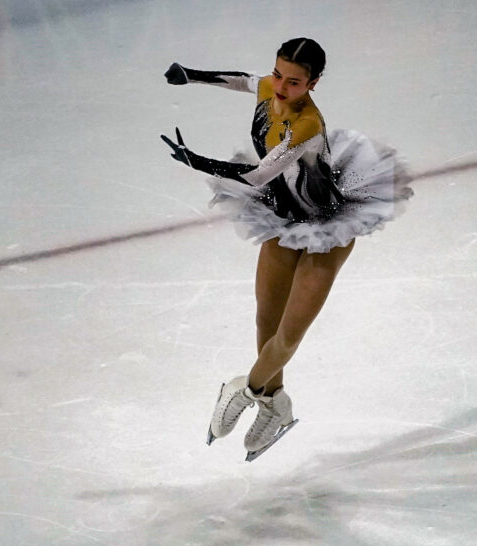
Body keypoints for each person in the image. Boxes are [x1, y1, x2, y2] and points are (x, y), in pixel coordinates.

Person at [161, 38, 412, 460]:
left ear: (313, 83)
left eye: (294, 81)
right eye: (278, 74)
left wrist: (196, 160)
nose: (280, 86)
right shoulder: (269, 88)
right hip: (281, 216)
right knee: (265, 319)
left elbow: (258, 175)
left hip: (325, 228)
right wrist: (192, 76)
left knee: (288, 336)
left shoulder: (307, 125)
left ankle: (243, 390)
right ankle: (276, 404)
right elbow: (244, 81)